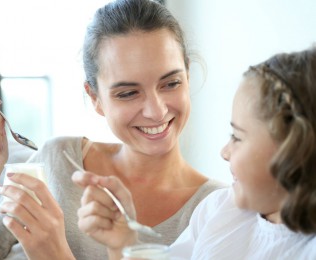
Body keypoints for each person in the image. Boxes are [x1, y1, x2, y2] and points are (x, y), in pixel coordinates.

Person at [0, 0, 225, 259]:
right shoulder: (57, 158)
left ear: (187, 74)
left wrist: (54, 253)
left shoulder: (218, 210)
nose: (156, 110)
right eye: (128, 93)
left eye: (171, 83)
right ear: (95, 98)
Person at [73, 46, 316, 259]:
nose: (224, 151)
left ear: (294, 150)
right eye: (127, 93)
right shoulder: (218, 211)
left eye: (237, 137)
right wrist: (125, 243)